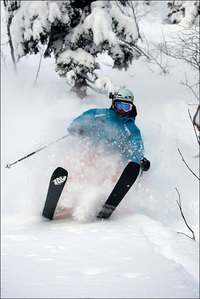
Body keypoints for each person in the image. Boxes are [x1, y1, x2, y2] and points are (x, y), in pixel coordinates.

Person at [68, 88, 150, 171]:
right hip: (89, 152)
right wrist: (77, 128)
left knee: (112, 164)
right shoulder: (96, 114)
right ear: (113, 104)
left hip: (112, 160)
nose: (122, 110)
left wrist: (140, 161)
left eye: (126, 107)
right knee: (81, 156)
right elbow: (78, 123)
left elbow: (135, 148)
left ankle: (113, 181)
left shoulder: (131, 130)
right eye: (119, 106)